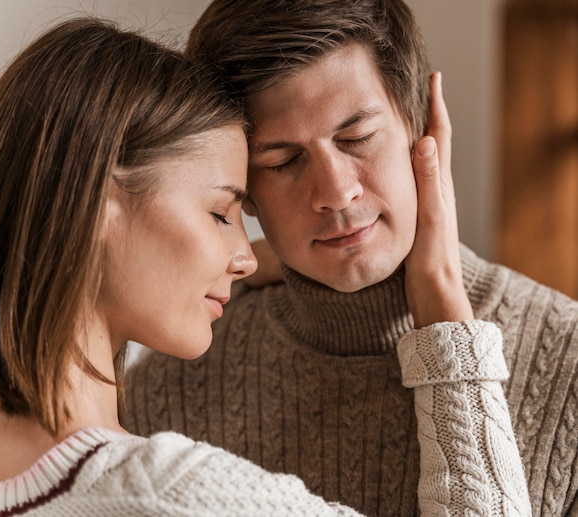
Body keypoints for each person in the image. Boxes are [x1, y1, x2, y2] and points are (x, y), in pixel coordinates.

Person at [0, 15, 529, 517]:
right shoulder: (177, 493)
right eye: (222, 212)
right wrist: (447, 313)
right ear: (91, 206)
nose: (248, 256)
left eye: (355, 137)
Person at [122, 0, 578, 516]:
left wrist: (442, 315)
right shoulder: (169, 388)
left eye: (356, 138)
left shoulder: (568, 362)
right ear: (242, 186)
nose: (336, 192)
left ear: (422, 127)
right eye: (284, 161)